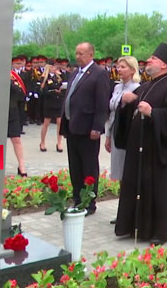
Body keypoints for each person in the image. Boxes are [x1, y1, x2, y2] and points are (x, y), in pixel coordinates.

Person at [114, 43, 167, 245]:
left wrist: (154, 113)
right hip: (139, 151)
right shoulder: (145, 86)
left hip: (159, 152)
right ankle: (134, 226)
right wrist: (126, 104)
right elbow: (133, 113)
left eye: (153, 58)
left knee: (159, 191)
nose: (148, 60)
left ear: (164, 65)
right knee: (138, 186)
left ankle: (162, 232)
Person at [60, 42, 111, 215]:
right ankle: (77, 199)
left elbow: (102, 103)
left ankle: (89, 202)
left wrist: (97, 127)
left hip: (88, 129)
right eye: (76, 53)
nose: (77, 56)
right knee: (75, 166)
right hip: (72, 127)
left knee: (88, 167)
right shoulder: (75, 73)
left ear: (91, 54)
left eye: (81, 53)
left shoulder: (99, 74)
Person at [105, 56, 142, 181]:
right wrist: (108, 135)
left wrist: (125, 103)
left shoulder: (137, 88)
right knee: (116, 168)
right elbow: (112, 113)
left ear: (132, 70)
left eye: (123, 67)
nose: (119, 69)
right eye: (118, 67)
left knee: (125, 169)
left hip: (127, 132)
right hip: (115, 128)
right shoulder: (117, 87)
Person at [39, 63, 65, 153]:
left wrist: (60, 91)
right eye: (52, 67)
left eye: (55, 67)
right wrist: (54, 91)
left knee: (59, 123)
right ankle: (42, 142)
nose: (54, 69)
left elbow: (63, 87)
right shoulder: (44, 77)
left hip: (58, 102)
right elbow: (44, 91)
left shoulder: (59, 77)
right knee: (46, 123)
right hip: (49, 102)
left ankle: (59, 143)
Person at [8, 69, 28, 176]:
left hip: (12, 111)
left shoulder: (13, 76)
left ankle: (21, 166)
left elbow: (20, 93)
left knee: (16, 139)